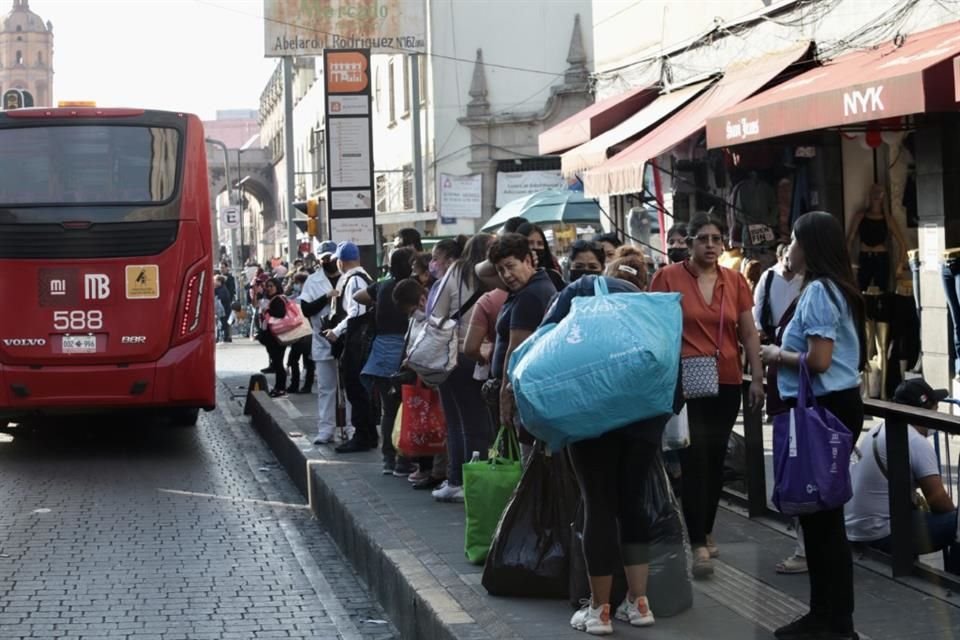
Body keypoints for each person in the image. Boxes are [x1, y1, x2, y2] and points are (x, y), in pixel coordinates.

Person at [760, 211, 866, 640]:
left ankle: (833, 620)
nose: (789, 250)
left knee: (823, 518)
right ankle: (826, 615)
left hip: (822, 410)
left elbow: (820, 361)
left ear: (812, 246)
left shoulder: (820, 291)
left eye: (795, 241)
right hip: (832, 407)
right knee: (822, 517)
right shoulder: (835, 288)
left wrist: (775, 355)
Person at [553, 274, 672, 635]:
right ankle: (639, 603)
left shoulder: (572, 296)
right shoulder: (636, 299)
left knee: (598, 505)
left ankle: (599, 611)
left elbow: (545, 346)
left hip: (589, 417)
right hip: (642, 418)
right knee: (632, 503)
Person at [650, 212, 764, 578]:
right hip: (683, 379)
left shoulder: (735, 281)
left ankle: (706, 527)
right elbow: (654, 329)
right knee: (694, 456)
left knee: (716, 460)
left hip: (727, 379)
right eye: (703, 238)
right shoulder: (667, 278)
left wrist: (758, 377)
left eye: (717, 239)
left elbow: (748, 333)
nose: (711, 245)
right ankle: (697, 540)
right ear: (688, 242)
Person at [846, 378, 960, 564]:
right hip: (880, 533)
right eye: (935, 407)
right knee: (959, 524)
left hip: (855, 529)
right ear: (926, 409)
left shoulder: (879, 429)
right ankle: (955, 583)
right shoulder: (916, 442)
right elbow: (939, 502)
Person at [429, 234, 495, 503]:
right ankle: (473, 481)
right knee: (478, 424)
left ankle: (457, 480)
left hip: (453, 354)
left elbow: (437, 313)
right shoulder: (495, 275)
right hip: (485, 353)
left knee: (456, 422)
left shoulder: (456, 272)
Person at [489, 233, 558, 452]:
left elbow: (515, 351)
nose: (506, 275)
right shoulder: (534, 285)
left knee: (526, 462)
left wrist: (504, 397)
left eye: (511, 266)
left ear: (528, 260)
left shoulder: (531, 294)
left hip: (524, 394)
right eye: (500, 270)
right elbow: (480, 270)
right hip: (528, 394)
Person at [356, 247, 417, 476]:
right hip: (406, 352)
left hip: (381, 354)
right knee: (409, 407)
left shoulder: (383, 286)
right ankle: (405, 459)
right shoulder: (412, 288)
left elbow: (358, 296)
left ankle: (388, 459)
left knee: (389, 410)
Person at [324, 242, 376, 453]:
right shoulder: (363, 277)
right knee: (359, 388)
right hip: (359, 337)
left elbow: (356, 311)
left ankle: (363, 434)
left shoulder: (355, 280)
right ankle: (368, 433)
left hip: (357, 339)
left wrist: (336, 331)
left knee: (355, 387)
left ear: (341, 260)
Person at [300, 241, 341, 444]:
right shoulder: (313, 281)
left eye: (331, 258)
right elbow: (306, 310)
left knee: (349, 388)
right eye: (324, 259)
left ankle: (351, 427)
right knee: (326, 388)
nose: (328, 262)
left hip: (345, 340)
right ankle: (326, 429)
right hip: (322, 340)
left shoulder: (348, 277)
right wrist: (326, 297)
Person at [754, 243, 804, 344]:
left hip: (795, 333)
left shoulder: (802, 278)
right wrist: (758, 327)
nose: (790, 263)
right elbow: (757, 304)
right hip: (772, 333)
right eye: (787, 259)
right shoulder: (769, 276)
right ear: (779, 258)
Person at [256, 278, 289, 397]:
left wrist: (268, 310)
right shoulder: (274, 299)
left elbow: (280, 313)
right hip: (274, 336)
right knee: (277, 363)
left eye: (271, 286)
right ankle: (278, 387)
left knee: (278, 363)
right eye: (268, 286)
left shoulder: (277, 299)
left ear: (277, 286)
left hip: (277, 336)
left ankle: (280, 388)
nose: (269, 288)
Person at [516, 222, 565, 289]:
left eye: (540, 243)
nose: (535, 247)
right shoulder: (512, 277)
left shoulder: (553, 276)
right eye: (530, 243)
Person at [214, 275, 232, 343]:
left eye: (215, 281)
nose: (214, 282)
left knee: (223, 323)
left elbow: (221, 298)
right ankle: (224, 336)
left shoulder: (222, 289)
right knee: (222, 323)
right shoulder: (219, 289)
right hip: (222, 310)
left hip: (224, 310)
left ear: (219, 282)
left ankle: (225, 337)